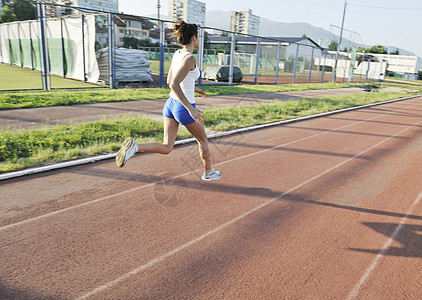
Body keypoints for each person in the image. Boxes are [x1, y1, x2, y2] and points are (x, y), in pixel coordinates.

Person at [115, 21, 221, 181]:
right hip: (184, 108)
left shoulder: (178, 54)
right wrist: (191, 109)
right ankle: (208, 173)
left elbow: (172, 80)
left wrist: (196, 90)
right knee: (203, 140)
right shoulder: (190, 59)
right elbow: (173, 83)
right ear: (194, 38)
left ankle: (135, 146)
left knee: (167, 147)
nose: (199, 40)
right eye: (198, 37)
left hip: (171, 104)